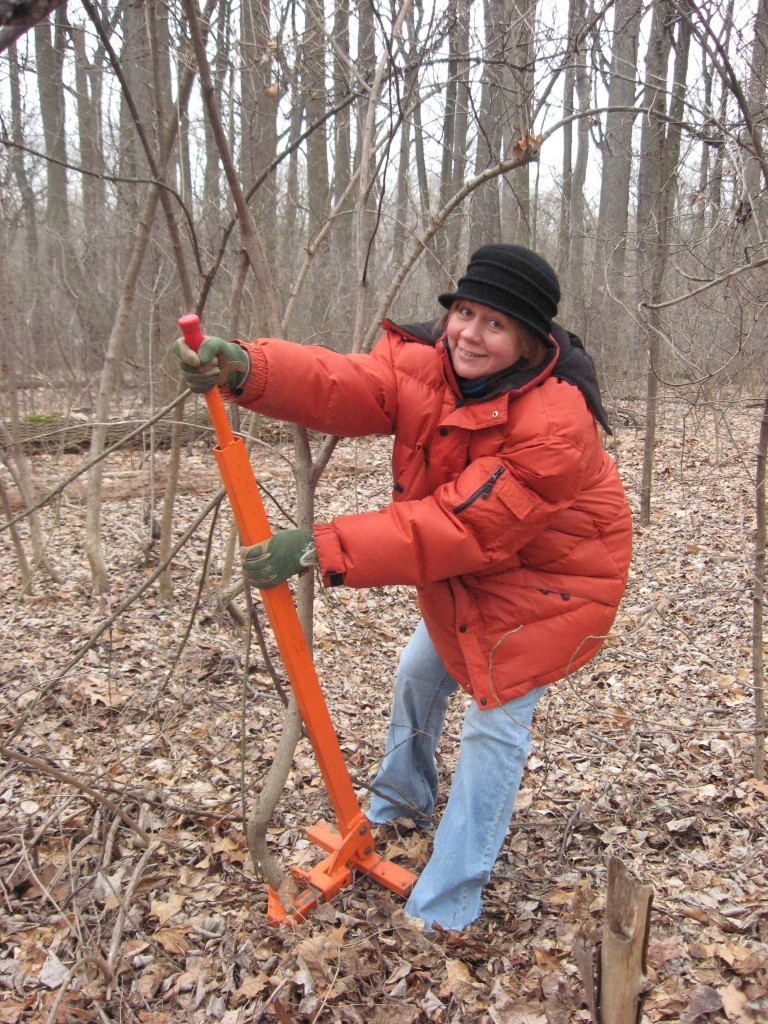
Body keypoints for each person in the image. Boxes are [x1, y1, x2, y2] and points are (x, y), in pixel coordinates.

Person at [172, 244, 632, 932]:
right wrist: (249, 367)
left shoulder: (557, 423)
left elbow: (459, 526)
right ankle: (401, 801)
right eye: (464, 313)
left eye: (494, 324)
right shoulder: (434, 365)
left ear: (532, 341)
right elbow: (347, 385)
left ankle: (449, 901)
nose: (469, 334)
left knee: (494, 724)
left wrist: (319, 545)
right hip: (475, 571)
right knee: (419, 673)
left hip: (549, 589)